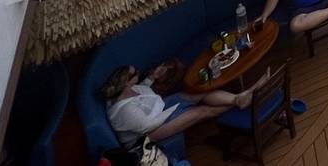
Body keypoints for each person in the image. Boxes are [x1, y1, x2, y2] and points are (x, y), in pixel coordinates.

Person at [100, 63, 272, 151]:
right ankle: (248, 98)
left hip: (159, 109)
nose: (138, 72)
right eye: (135, 72)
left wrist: (152, 77)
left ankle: (240, 98)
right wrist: (176, 109)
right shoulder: (124, 112)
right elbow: (147, 125)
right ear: (126, 82)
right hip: (148, 134)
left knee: (199, 93)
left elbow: (143, 90)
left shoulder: (129, 90)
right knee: (201, 111)